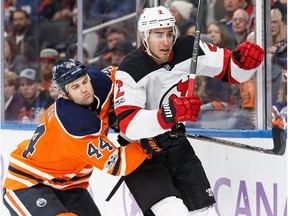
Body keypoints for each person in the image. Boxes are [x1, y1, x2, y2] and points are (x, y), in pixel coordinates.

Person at [113, 6, 264, 216]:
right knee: (173, 212)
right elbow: (128, 125)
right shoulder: (130, 69)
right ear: (144, 36)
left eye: (169, 33)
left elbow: (232, 72)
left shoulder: (189, 47)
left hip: (176, 144)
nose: (166, 41)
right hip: (141, 154)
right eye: (158, 35)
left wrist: (245, 63)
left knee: (205, 212)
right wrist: (169, 113)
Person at [2, 59, 160, 216]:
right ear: (63, 93)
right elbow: (118, 164)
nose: (85, 89)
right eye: (75, 87)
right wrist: (151, 143)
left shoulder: (101, 83)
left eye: (85, 81)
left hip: (69, 184)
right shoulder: (73, 123)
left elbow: (127, 74)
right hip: (29, 183)